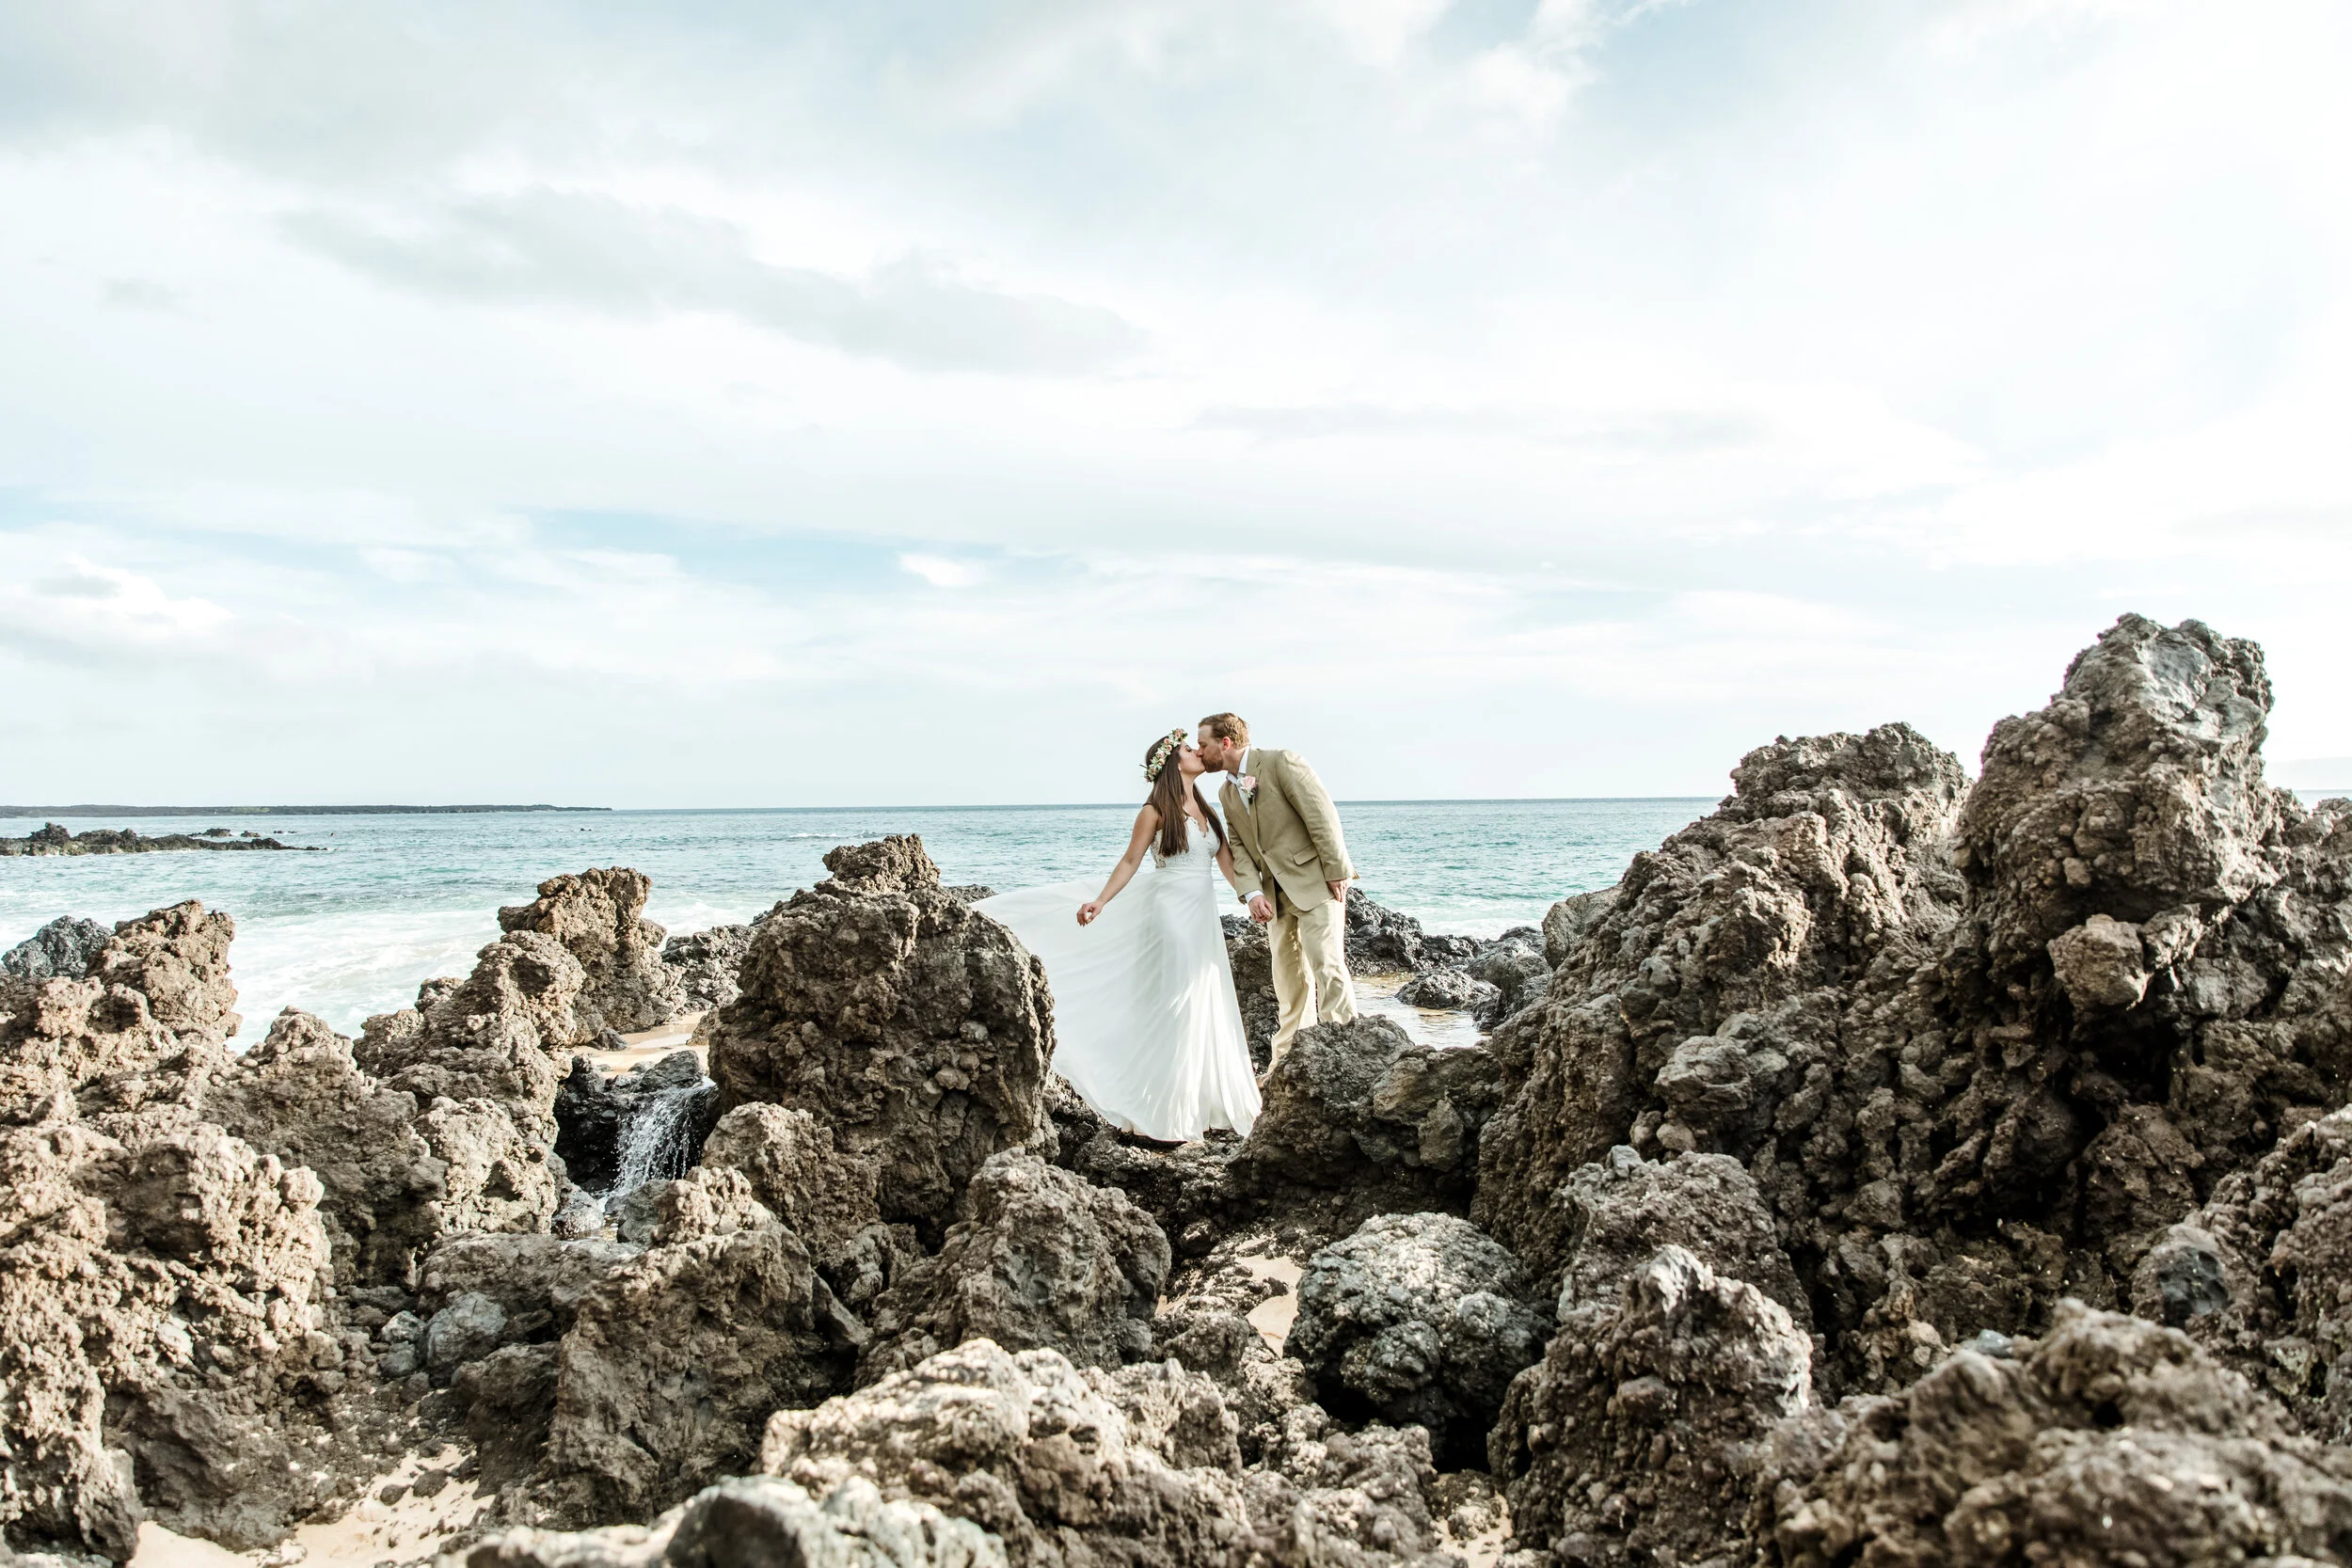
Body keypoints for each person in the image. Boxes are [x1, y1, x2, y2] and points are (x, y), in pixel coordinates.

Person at [974, 729, 1261, 1142]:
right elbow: (1130, 861)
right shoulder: (1153, 812)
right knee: (1178, 1002)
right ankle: (1165, 1111)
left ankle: (1201, 1103)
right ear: (1172, 762)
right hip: (1171, 916)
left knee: (1204, 998)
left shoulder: (1205, 806)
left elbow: (1226, 861)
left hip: (1203, 917)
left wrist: (1250, 898)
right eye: (1187, 749)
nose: (1198, 751)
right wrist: (1101, 901)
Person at [1195, 712, 1358, 1065]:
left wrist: (1337, 869)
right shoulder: (1226, 792)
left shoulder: (1281, 762)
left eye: (1203, 744)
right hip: (1274, 897)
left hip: (1316, 882)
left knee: (1325, 964)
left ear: (1225, 743)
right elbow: (1238, 846)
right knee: (1287, 980)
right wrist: (1252, 893)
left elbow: (1321, 814)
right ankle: (1288, 1062)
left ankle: (1346, 1049)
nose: (1199, 751)